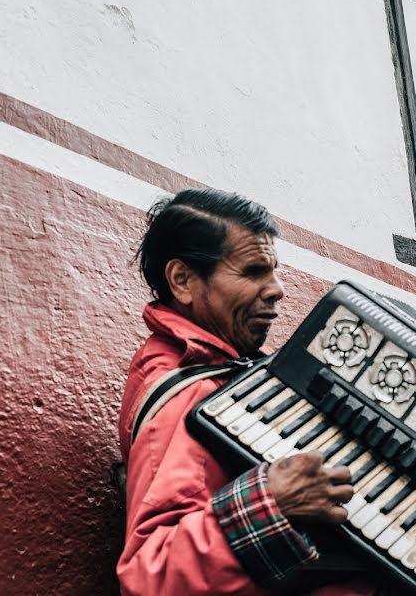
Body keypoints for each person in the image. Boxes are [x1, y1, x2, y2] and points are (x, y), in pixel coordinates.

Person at [116, 188, 376, 595]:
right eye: (253, 272)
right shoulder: (189, 396)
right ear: (183, 280)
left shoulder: (232, 371)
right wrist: (270, 501)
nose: (276, 290)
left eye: (272, 272)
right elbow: (154, 575)